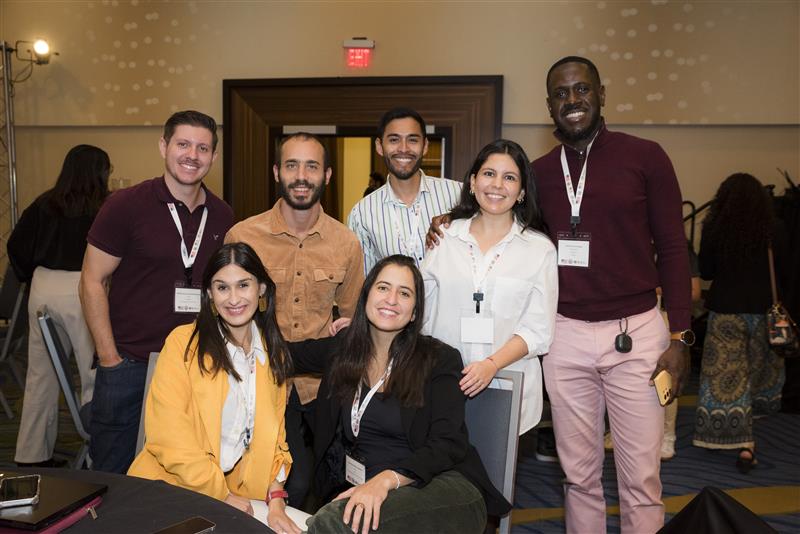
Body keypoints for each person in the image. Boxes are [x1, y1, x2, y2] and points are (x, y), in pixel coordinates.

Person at [533, 56, 691, 533]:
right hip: (563, 338)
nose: (573, 101)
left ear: (602, 95)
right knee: (578, 477)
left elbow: (672, 248)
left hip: (638, 333)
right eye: (561, 94)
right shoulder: (538, 172)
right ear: (549, 106)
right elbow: (497, 219)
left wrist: (681, 337)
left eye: (582, 90)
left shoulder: (646, 156)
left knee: (641, 478)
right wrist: (448, 222)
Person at [290, 255, 510, 534]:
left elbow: (448, 443)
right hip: (368, 488)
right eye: (383, 288)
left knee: (337, 522)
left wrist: (386, 481)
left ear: (415, 311)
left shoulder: (439, 359)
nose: (391, 299)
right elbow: (282, 355)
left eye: (404, 293)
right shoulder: (344, 349)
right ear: (366, 296)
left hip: (440, 486)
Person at [80, 110, 234, 473]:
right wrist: (109, 359)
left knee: (182, 471)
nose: (192, 155)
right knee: (114, 473)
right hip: (129, 364)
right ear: (164, 146)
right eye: (183, 144)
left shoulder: (224, 215)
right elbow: (91, 280)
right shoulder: (125, 205)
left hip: (194, 366)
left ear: (213, 156)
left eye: (202, 148)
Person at [226, 132, 364, 508]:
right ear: (276, 172)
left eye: (311, 166)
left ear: (327, 175)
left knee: (327, 483)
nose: (301, 175)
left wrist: (348, 325)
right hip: (264, 382)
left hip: (322, 387)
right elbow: (226, 312)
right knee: (291, 483)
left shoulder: (346, 243)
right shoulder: (244, 237)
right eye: (291, 165)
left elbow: (354, 319)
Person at [129, 243, 306, 533]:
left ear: (261, 289)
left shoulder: (274, 353)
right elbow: (170, 438)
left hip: (239, 492)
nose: (234, 298)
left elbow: (277, 440)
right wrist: (220, 495)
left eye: (243, 285)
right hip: (172, 489)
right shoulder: (183, 344)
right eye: (222, 288)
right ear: (210, 294)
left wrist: (276, 500)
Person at [420, 139, 557, 435]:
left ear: (521, 192)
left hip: (507, 383)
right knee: (440, 474)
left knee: (497, 477)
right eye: (489, 174)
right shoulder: (443, 238)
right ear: (472, 181)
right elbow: (423, 314)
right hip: (443, 383)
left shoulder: (539, 249)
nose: (497, 185)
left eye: (509, 178)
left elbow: (538, 330)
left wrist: (491, 365)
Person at [9, 144, 110, 467]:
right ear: (99, 172)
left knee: (40, 374)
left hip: (41, 286)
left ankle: (31, 453)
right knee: (92, 372)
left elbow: (16, 246)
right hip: (82, 286)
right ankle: (100, 453)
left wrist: (30, 275)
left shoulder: (43, 203)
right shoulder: (102, 208)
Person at [693, 173, 786, 473]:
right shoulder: (774, 229)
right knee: (753, 373)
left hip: (725, 311)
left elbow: (705, 272)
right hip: (763, 313)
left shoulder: (714, 228)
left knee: (725, 377)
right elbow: (783, 273)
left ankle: (735, 437)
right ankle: (748, 442)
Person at [348, 107, 462, 274]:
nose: (403, 148)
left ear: (425, 146)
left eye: (413, 140)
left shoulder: (457, 194)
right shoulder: (362, 214)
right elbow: (366, 282)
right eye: (394, 140)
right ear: (380, 146)